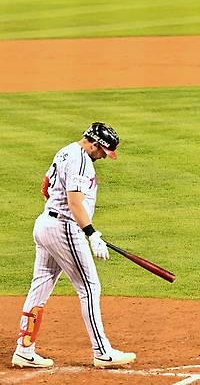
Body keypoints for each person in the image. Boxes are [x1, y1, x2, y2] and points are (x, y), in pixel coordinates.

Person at [12, 122, 136, 369]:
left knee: (40, 287)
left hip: (45, 224)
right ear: (94, 143)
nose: (103, 157)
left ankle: (24, 350)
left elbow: (46, 187)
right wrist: (91, 233)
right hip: (64, 228)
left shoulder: (66, 151)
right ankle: (102, 352)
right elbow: (75, 201)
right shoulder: (81, 160)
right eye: (103, 151)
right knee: (89, 288)